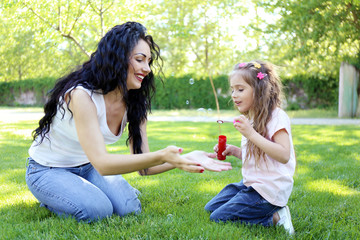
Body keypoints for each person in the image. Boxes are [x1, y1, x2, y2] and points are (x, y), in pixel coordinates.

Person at [25, 22, 232, 223]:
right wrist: (162, 155)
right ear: (117, 57)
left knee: (129, 208)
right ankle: (54, 199)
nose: (147, 68)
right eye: (140, 59)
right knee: (99, 211)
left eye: (149, 61)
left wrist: (185, 159)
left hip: (88, 167)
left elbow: (145, 167)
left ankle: (81, 191)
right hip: (48, 169)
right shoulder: (82, 96)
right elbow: (104, 164)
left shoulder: (134, 102)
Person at [204, 60, 296, 235]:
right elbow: (260, 155)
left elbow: (284, 155)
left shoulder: (277, 117)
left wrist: (251, 134)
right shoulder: (253, 118)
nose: (234, 95)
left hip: (268, 190)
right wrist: (235, 151)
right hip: (252, 184)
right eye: (232, 90)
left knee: (218, 217)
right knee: (211, 208)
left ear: (259, 90)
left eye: (240, 89)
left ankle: (276, 216)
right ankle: (261, 209)